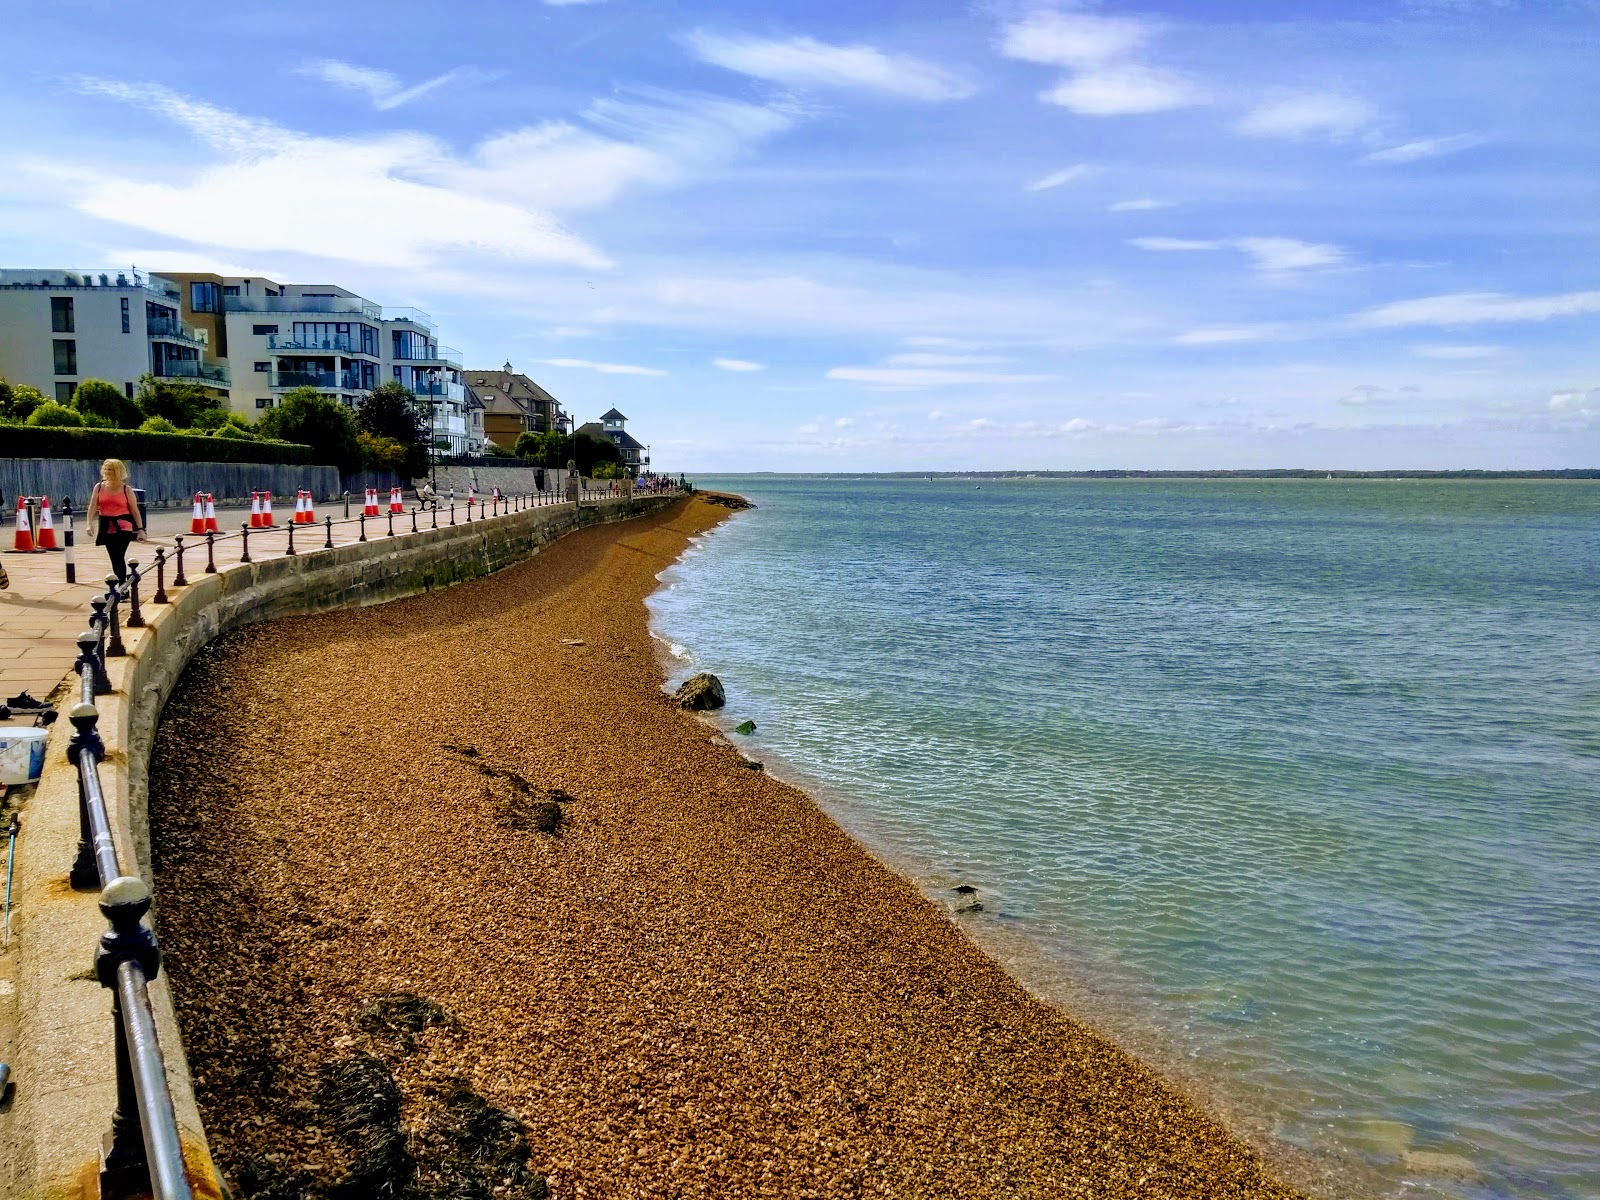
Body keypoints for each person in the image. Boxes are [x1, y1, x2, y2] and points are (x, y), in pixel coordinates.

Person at [84, 458, 145, 582]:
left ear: (118, 471)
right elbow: (93, 506)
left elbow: (134, 510)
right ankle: (123, 583)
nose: (107, 472)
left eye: (111, 470)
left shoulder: (126, 489)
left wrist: (140, 529)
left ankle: (122, 586)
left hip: (124, 526)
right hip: (106, 525)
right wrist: (89, 523)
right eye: (106, 469)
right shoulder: (99, 487)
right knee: (114, 557)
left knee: (118, 556)